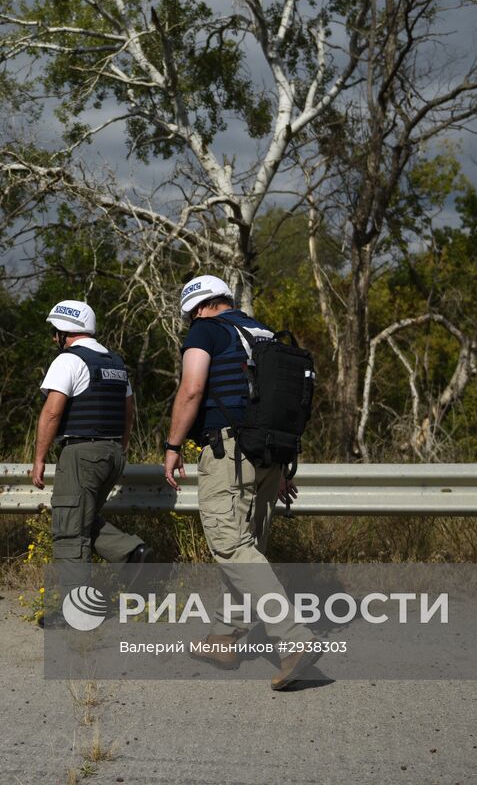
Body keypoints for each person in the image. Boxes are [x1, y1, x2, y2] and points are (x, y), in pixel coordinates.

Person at [160, 276, 316, 688]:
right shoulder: (259, 330)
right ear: (226, 300)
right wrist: (279, 465)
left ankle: (294, 638)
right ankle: (225, 638)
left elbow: (192, 390)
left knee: (230, 544)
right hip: (269, 454)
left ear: (196, 308)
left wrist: (172, 444)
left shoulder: (205, 330)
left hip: (229, 452)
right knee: (246, 548)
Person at [30, 300, 147, 628]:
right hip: (112, 454)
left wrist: (39, 458)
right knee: (82, 519)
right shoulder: (114, 362)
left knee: (68, 530)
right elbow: (129, 410)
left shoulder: (69, 360)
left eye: (56, 331)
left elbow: (52, 412)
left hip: (82, 453)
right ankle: (129, 552)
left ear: (63, 331)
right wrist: (120, 448)